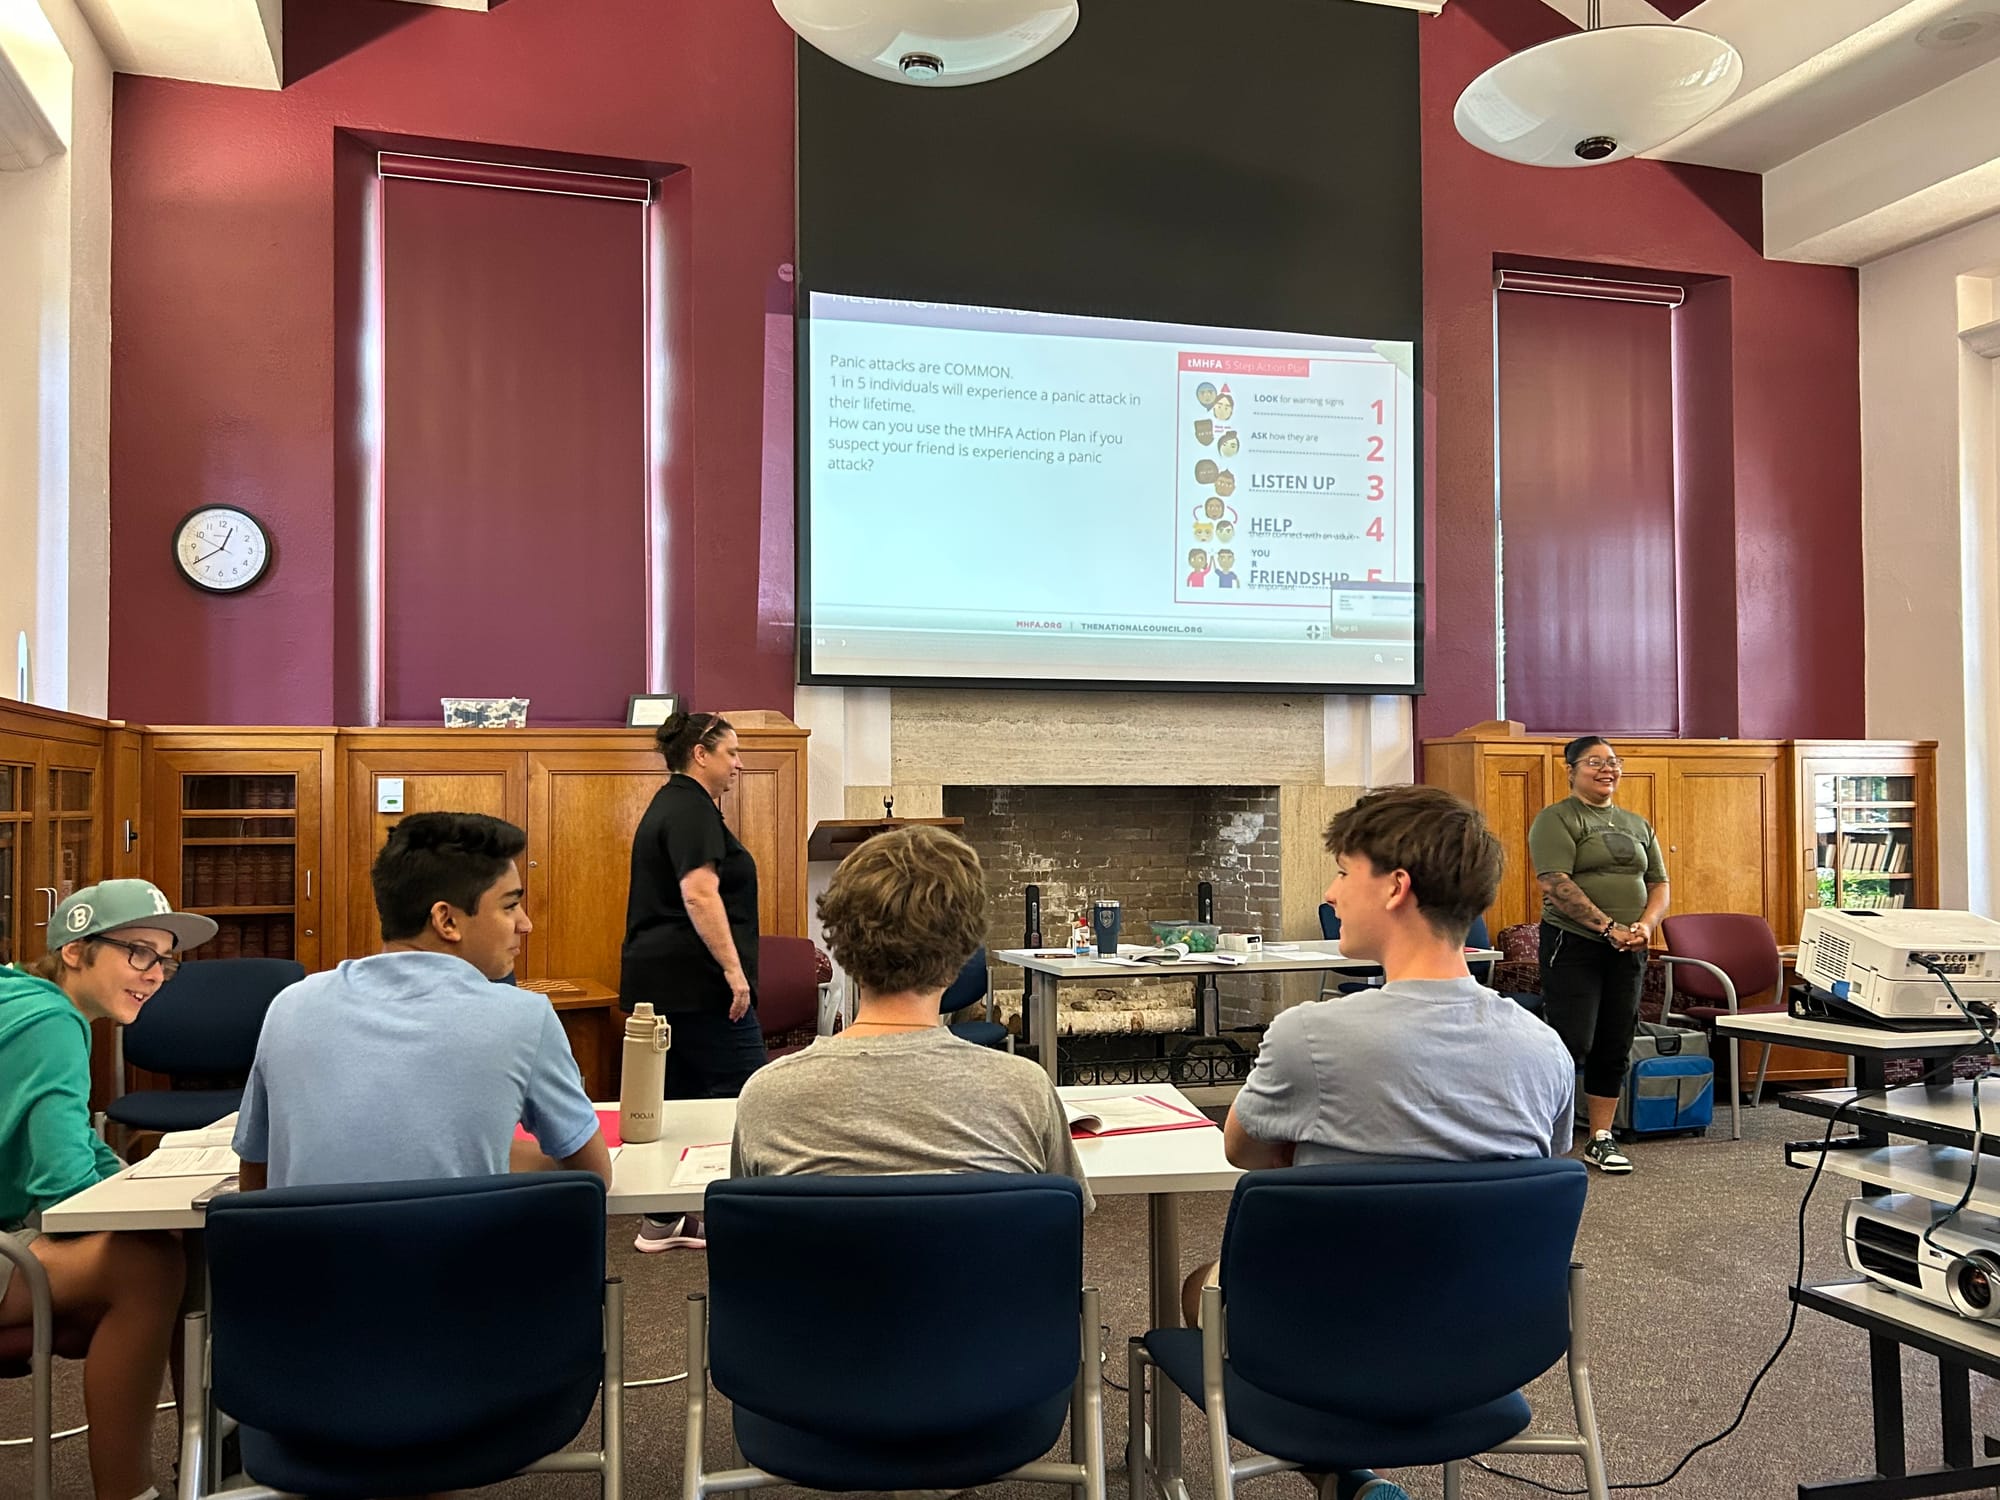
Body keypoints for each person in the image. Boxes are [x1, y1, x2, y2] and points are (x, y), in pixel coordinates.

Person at [1185, 786, 1573, 1500]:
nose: (1330, 894)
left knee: (1197, 1287)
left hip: (1322, 1345)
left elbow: (1246, 1153)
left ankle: (1344, 1475)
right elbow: (1537, 1172)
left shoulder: (1308, 1035)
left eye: (1342, 872)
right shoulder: (1545, 1048)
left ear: (1395, 887)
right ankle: (1355, 1481)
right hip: (1485, 1344)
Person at [232, 812, 610, 1191]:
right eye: (510, 906)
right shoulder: (526, 1017)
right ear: (447, 921)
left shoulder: (290, 1006)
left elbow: (255, 1183)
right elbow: (592, 1176)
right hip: (461, 1232)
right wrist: (490, 1157)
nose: (525, 924)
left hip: (308, 1233)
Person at [732, 824, 1092, 1211]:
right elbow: (1063, 1219)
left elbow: (748, 1229)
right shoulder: (1026, 1092)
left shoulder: (766, 1097)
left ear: (841, 946)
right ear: (962, 954)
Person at [0, 879, 209, 1500]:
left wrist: (137, 1186)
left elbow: (80, 1148)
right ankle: (136, 1490)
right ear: (74, 950)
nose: (154, 973)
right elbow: (61, 1186)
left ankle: (206, 1457)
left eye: (164, 959)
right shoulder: (50, 1022)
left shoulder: (26, 1001)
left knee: (168, 1245)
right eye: (137, 951)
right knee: (145, 1264)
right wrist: (153, 1212)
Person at [621, 711, 767, 1252]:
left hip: (666, 985)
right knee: (753, 1097)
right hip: (698, 985)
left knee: (678, 1097)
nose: (739, 764)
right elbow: (700, 894)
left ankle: (661, 1221)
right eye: (732, 753)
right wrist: (734, 972)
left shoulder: (675, 804)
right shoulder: (691, 808)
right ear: (700, 754)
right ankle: (759, 1221)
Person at [1528, 736, 1671, 1175]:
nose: (1608, 769)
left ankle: (1601, 1138)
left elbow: (1659, 884)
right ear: (1570, 770)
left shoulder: (1636, 824)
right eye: (1595, 762)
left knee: (1615, 1041)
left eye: (1613, 762)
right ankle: (1543, 1134)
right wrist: (1607, 927)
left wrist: (1644, 926)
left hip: (1629, 946)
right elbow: (1555, 883)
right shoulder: (1557, 819)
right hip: (1574, 943)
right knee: (1572, 1040)